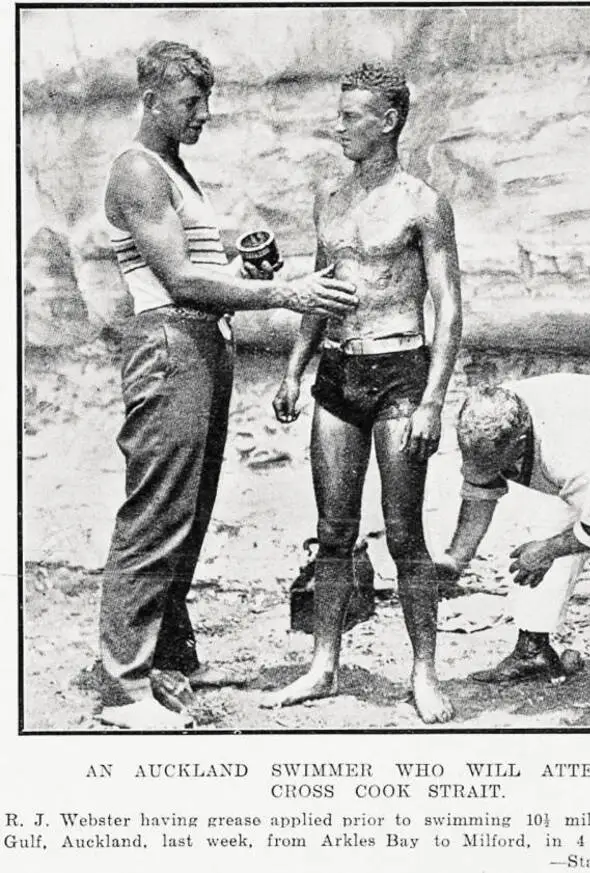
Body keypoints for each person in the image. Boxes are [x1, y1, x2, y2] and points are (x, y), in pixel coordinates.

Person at [98, 41, 358, 730]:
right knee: (155, 514)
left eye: (206, 100)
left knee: (188, 513)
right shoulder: (137, 169)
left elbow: (195, 271)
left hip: (202, 347)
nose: (204, 114)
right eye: (190, 102)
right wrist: (282, 290)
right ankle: (123, 690)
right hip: (169, 345)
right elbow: (179, 281)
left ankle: (164, 662)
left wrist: (247, 268)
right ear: (152, 100)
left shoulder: (175, 171)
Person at [262, 62, 462, 724]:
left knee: (405, 531)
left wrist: (434, 398)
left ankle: (424, 670)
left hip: (402, 370)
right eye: (339, 113)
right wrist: (295, 366)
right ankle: (323, 664)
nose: (339, 125)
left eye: (351, 116)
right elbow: (320, 294)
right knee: (331, 530)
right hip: (338, 374)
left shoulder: (422, 202)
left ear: (389, 120)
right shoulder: (330, 200)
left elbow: (450, 307)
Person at [436, 375, 590, 726]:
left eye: (497, 461)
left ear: (520, 441)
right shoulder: (484, 419)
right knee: (543, 526)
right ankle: (533, 651)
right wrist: (454, 562)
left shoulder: (565, 450)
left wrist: (549, 551)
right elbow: (481, 487)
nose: (488, 469)